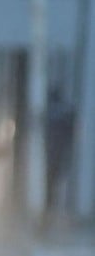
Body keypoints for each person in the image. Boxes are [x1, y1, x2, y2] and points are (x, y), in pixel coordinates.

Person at [42, 86, 76, 233]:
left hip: (52, 156)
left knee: (51, 188)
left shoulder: (53, 113)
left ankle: (50, 216)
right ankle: (49, 216)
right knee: (53, 187)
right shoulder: (64, 112)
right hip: (57, 155)